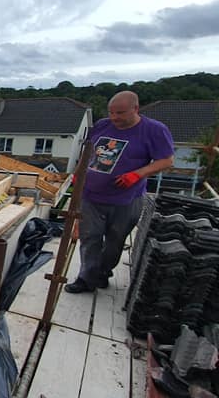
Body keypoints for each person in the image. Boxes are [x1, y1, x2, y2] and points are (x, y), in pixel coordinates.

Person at [65, 90, 174, 294]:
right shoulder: (102, 126)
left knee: (115, 241)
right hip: (92, 195)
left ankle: (103, 272)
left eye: (120, 113)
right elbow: (87, 153)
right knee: (90, 238)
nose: (114, 117)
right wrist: (78, 175)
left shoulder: (154, 130)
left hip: (126, 199)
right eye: (111, 112)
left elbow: (166, 160)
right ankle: (86, 279)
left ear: (135, 109)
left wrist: (138, 174)